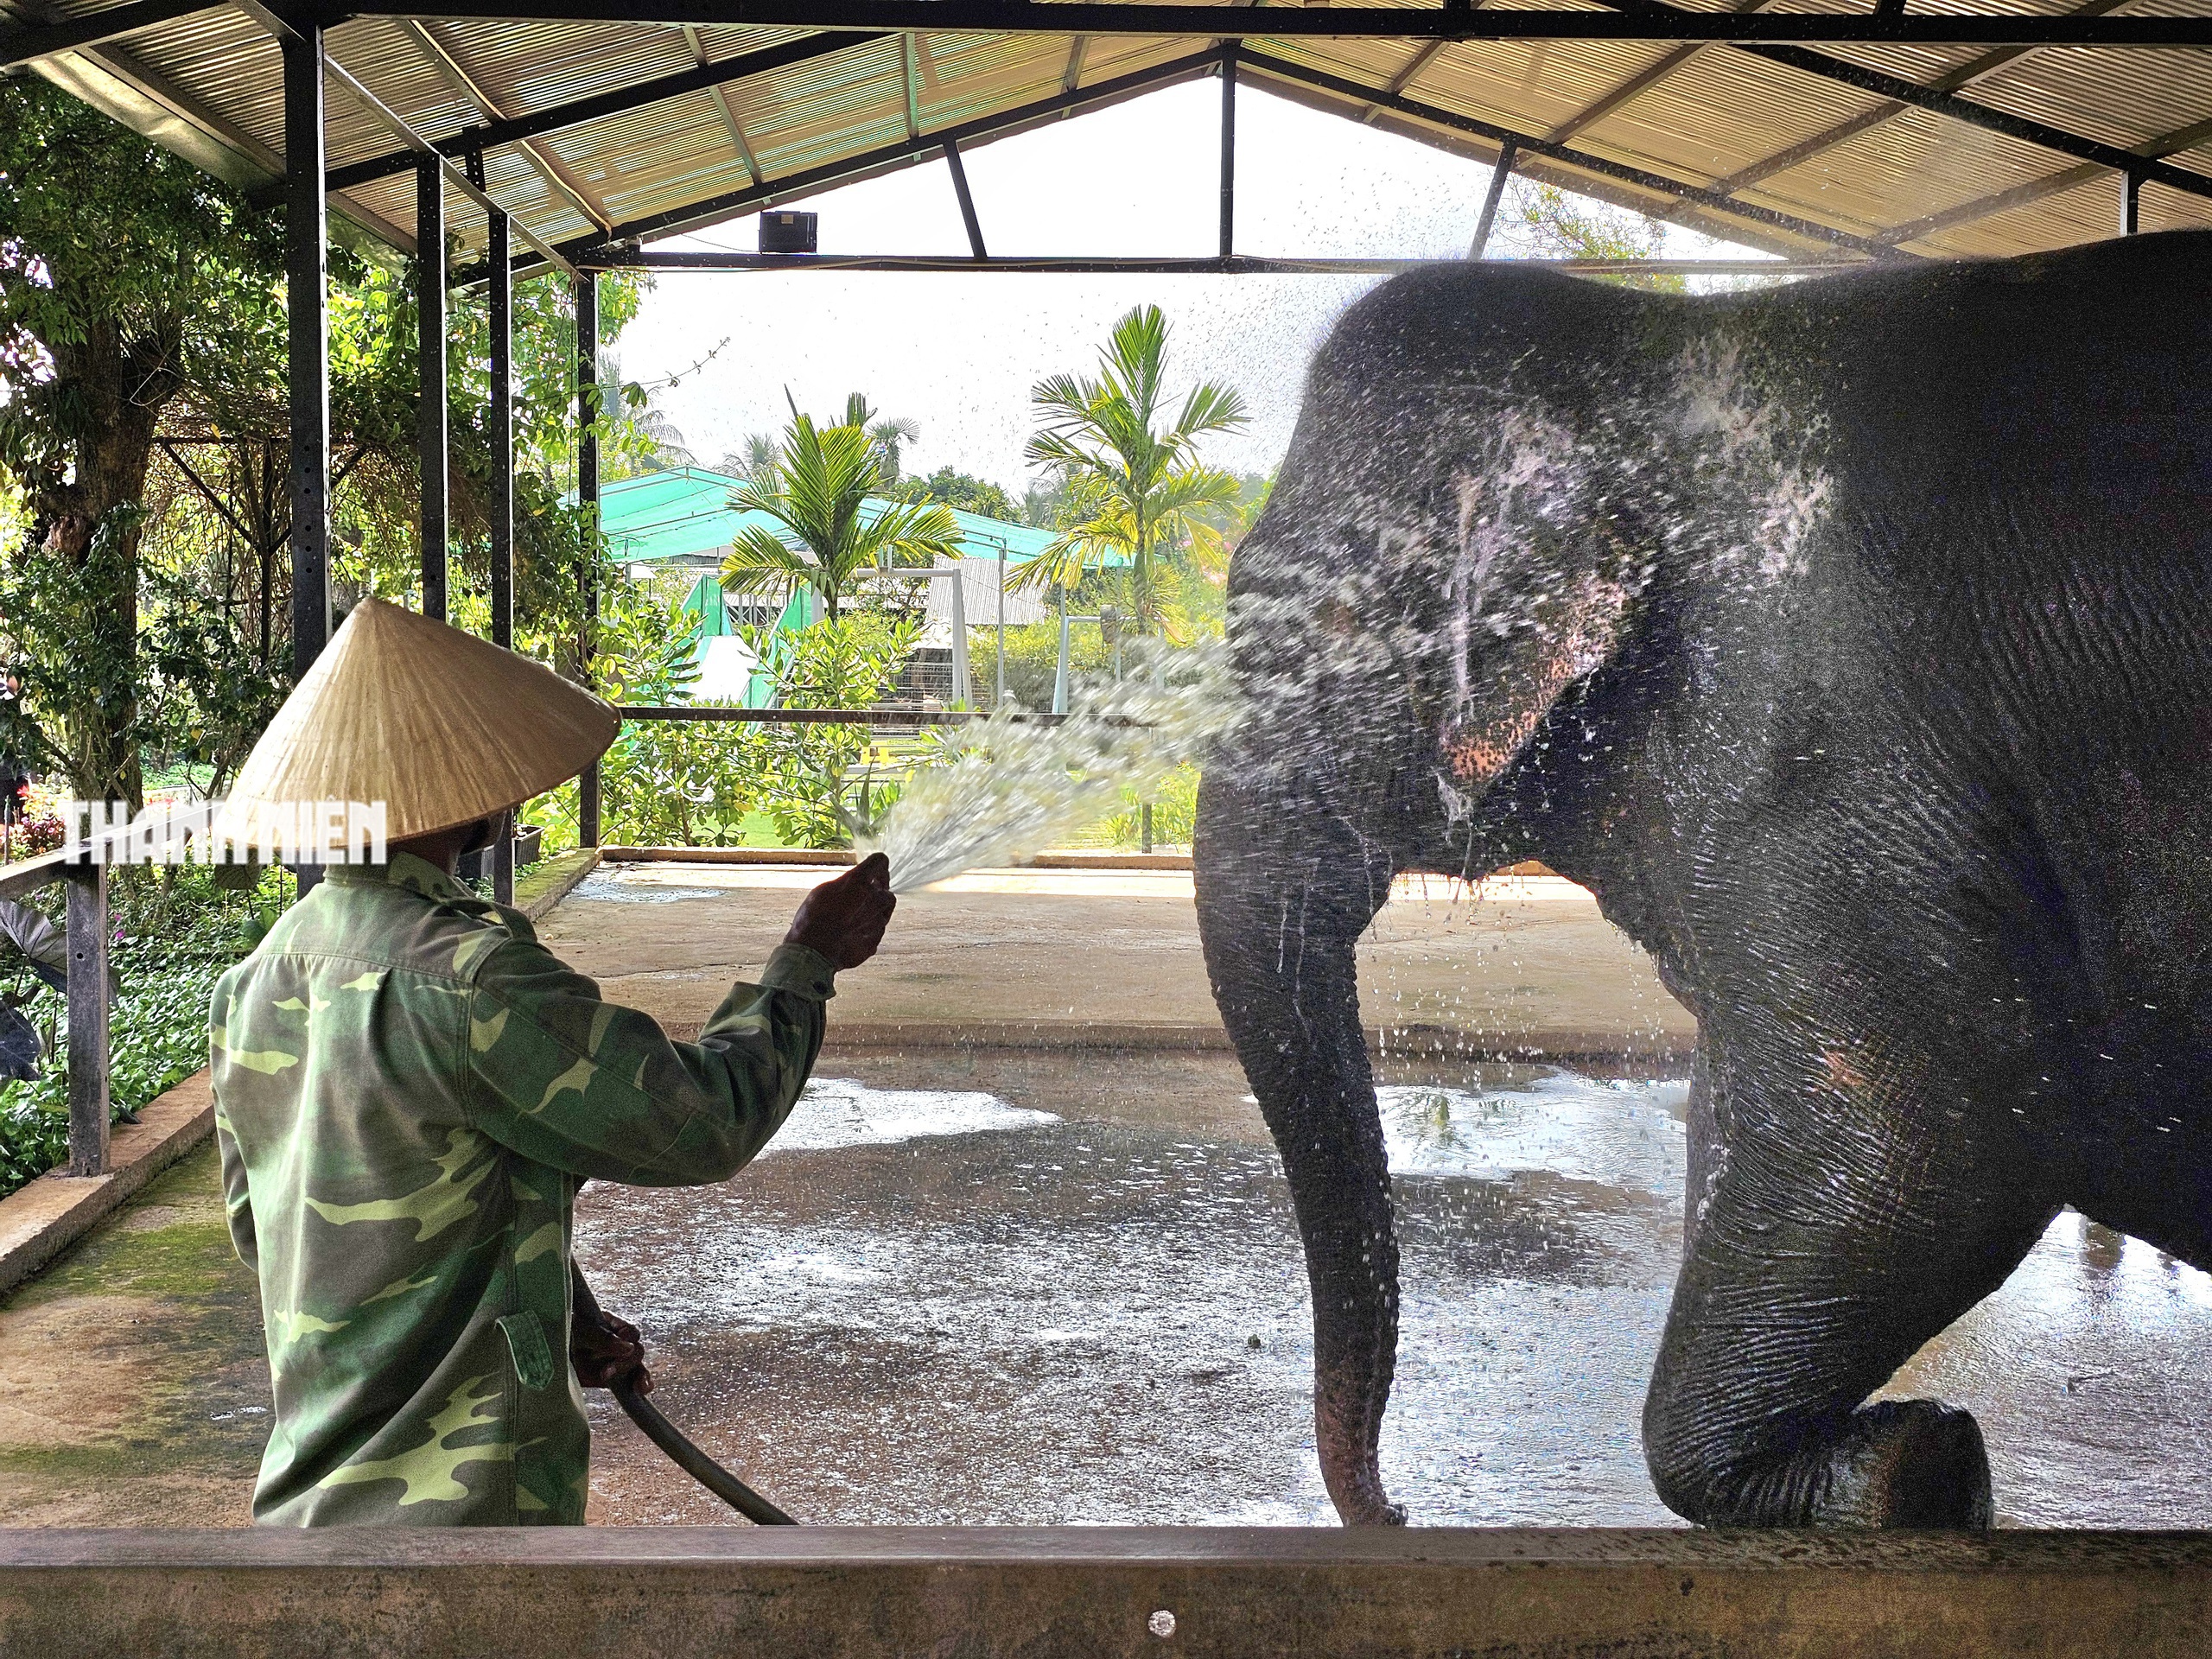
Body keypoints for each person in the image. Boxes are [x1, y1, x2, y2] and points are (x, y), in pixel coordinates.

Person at [210, 599, 895, 1525]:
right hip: (458, 1530)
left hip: (311, 1509)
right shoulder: (478, 983)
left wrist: (546, 1310)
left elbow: (277, 1229)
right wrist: (805, 963)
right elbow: (703, 1125)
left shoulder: (261, 974)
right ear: (449, 782)